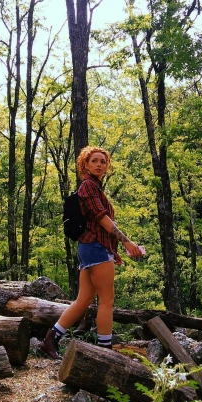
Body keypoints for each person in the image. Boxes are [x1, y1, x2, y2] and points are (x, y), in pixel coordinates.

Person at [39, 146, 144, 360]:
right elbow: (102, 219)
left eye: (103, 162)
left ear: (107, 167)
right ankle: (105, 353)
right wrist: (127, 242)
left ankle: (49, 341)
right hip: (94, 248)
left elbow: (98, 225)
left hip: (93, 248)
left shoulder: (95, 188)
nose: (99, 164)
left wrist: (113, 251)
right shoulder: (88, 186)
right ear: (85, 164)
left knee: (84, 300)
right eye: (94, 161)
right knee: (106, 301)